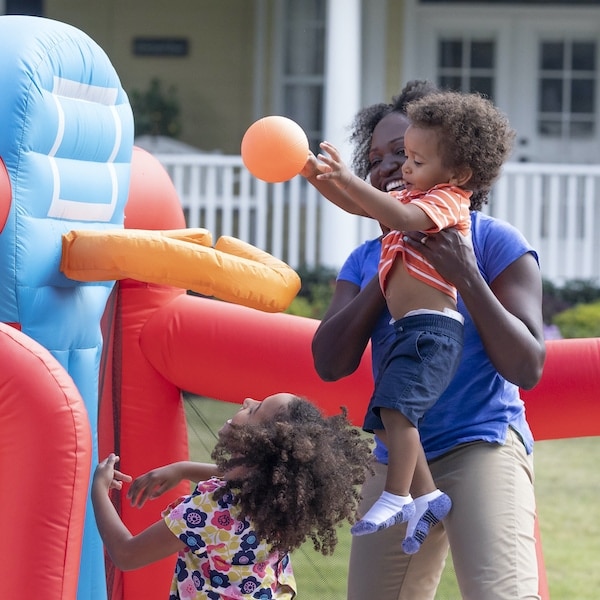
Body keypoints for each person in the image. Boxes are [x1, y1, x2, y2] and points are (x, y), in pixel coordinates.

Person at [309, 81, 546, 600]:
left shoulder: (492, 240)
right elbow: (330, 362)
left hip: (480, 444)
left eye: (406, 153)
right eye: (376, 157)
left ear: (456, 166)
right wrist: (392, 263)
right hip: (398, 458)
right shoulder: (365, 261)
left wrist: (467, 276)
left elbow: (528, 365)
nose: (391, 165)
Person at [92, 393, 372, 600]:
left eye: (255, 410)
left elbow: (127, 554)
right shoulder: (274, 502)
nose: (248, 400)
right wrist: (183, 469)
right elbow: (240, 478)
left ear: (257, 446)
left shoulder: (206, 513)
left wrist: (98, 490)